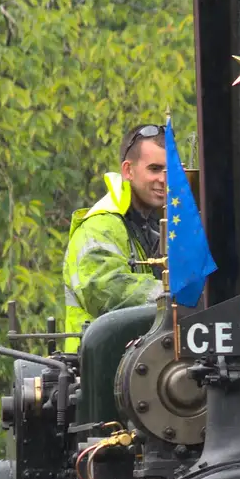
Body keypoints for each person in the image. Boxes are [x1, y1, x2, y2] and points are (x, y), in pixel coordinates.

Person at [62, 124, 168, 342]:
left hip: (141, 358)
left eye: (170, 171)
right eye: (155, 169)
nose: (164, 179)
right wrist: (172, 294)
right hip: (95, 363)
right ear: (128, 170)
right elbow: (103, 289)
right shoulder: (100, 226)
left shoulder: (155, 226)